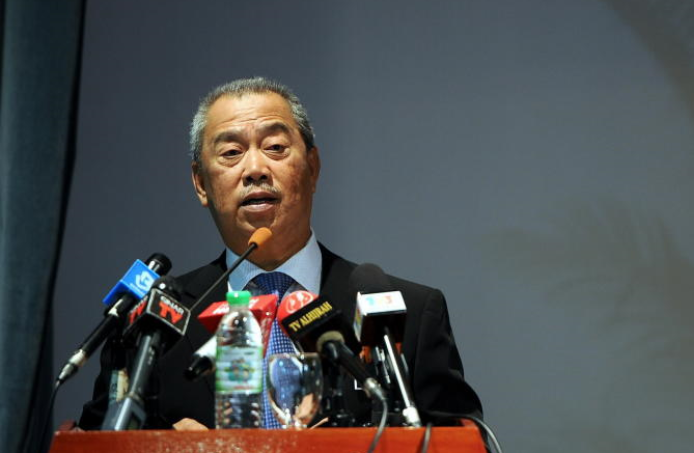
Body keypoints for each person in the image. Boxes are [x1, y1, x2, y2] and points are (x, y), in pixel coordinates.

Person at [79, 77, 482, 429]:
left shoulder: (410, 313)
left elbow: (464, 441)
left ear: (313, 168)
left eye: (274, 147)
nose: (255, 168)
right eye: (231, 153)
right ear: (201, 183)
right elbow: (96, 440)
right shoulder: (152, 326)